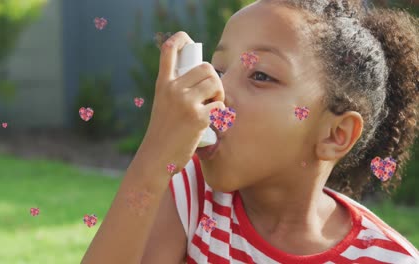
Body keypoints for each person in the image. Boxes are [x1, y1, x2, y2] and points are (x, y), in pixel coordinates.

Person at [81, 0, 419, 263]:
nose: (217, 90)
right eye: (218, 68)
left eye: (260, 76)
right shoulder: (191, 196)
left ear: (335, 134)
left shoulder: (389, 259)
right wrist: (154, 157)